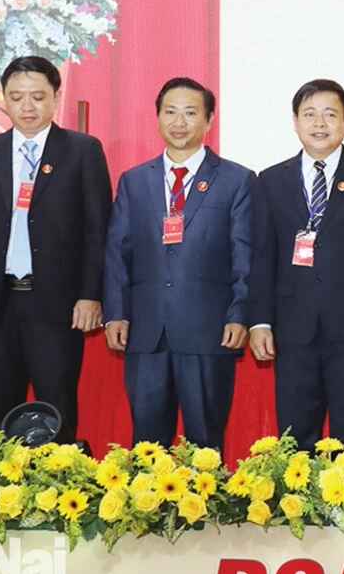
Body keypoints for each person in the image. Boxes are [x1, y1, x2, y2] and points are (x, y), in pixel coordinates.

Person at [0, 56, 111, 442]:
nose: (27, 106)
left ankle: (59, 494)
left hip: (55, 306)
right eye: (17, 96)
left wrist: (91, 295)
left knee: (57, 408)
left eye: (38, 97)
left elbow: (97, 231)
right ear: (4, 98)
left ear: (56, 97)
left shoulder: (82, 151)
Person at [248, 79, 344, 451]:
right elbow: (262, 256)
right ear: (295, 122)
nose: (320, 124)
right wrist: (260, 321)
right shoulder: (270, 180)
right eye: (310, 115)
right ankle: (300, 509)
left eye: (330, 115)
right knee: (296, 435)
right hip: (292, 327)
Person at [102, 78, 253, 447]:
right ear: (157, 118)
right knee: (147, 444)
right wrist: (116, 313)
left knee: (206, 441)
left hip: (208, 330)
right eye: (170, 112)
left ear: (209, 119)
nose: (179, 122)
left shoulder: (236, 180)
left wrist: (239, 314)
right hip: (146, 330)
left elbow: (244, 255)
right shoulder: (134, 181)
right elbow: (117, 252)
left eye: (190, 113)